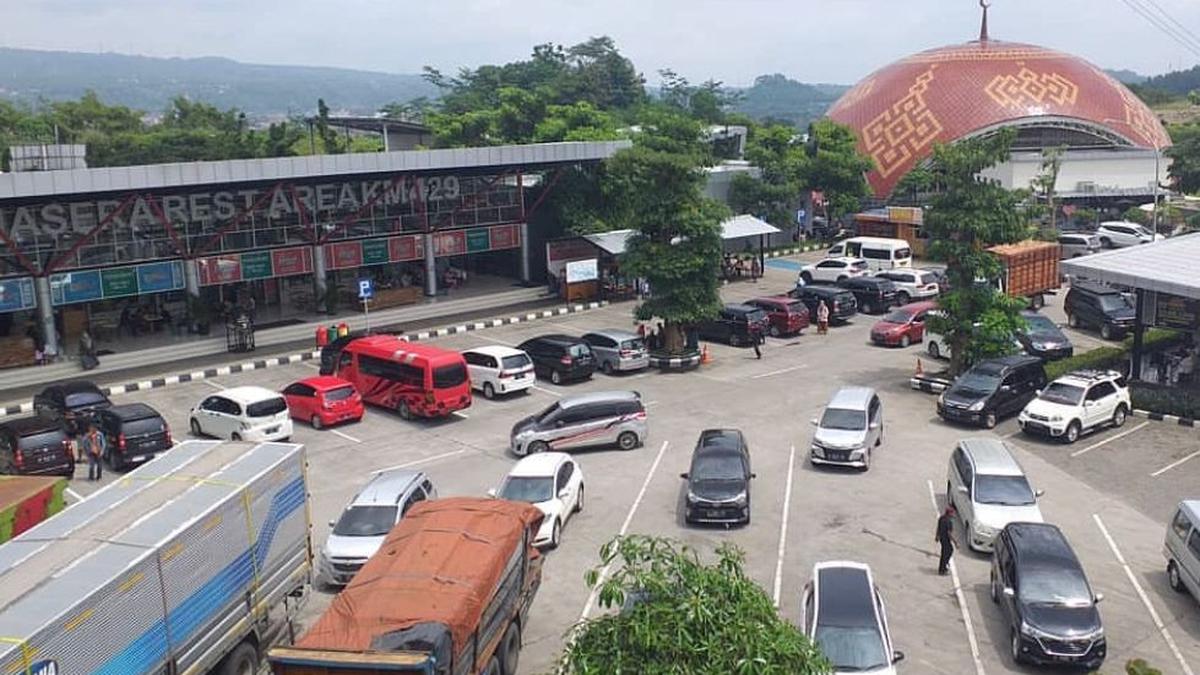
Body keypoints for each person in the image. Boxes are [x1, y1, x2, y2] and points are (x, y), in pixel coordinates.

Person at [936, 504, 956, 575]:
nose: (954, 514)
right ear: (949, 513)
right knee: (948, 552)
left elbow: (938, 527)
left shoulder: (942, 518)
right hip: (946, 539)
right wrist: (955, 542)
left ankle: (943, 567)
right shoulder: (949, 522)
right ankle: (943, 569)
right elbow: (949, 534)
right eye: (953, 513)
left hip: (942, 538)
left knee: (945, 553)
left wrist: (937, 536)